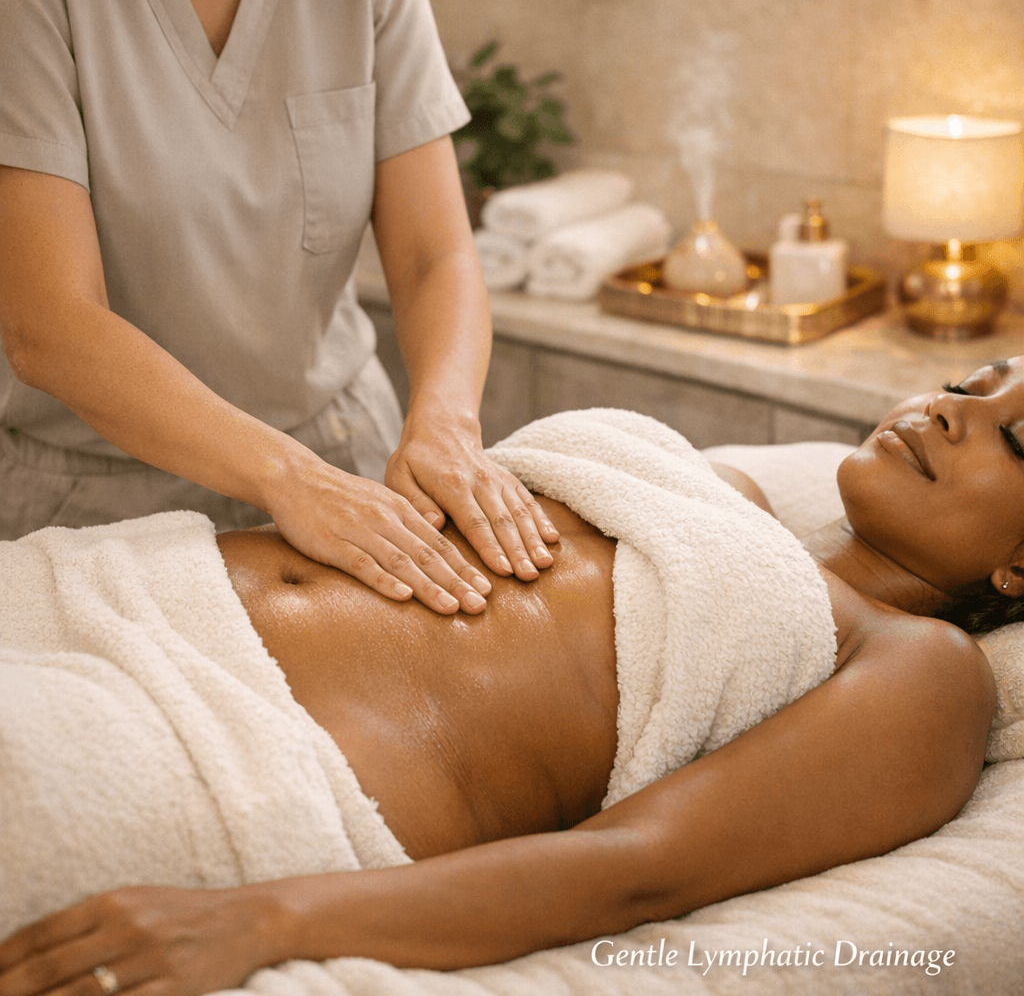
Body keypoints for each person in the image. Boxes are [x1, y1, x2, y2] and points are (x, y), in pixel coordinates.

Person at [0, 358, 1014, 996]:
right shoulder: (725, 493)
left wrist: (263, 918)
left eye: (1014, 436)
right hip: (102, 581)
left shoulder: (922, 672)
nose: (946, 412)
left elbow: (640, 863)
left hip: (216, 748)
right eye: (970, 382)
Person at [0, 0, 557, 617]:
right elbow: (50, 328)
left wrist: (447, 426)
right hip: (101, 501)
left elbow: (435, 256)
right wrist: (292, 480)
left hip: (345, 455)